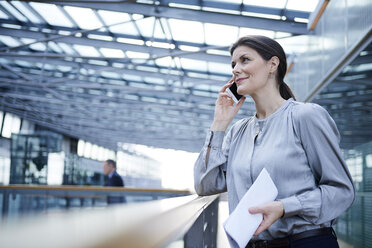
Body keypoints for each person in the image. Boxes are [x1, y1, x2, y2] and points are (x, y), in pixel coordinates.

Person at [194, 35, 355, 248]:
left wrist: (284, 207)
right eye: (233, 64)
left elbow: (342, 190)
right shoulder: (237, 131)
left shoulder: (305, 117)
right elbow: (205, 185)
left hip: (305, 243)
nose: (235, 69)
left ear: (272, 64)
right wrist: (219, 123)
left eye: (244, 60)